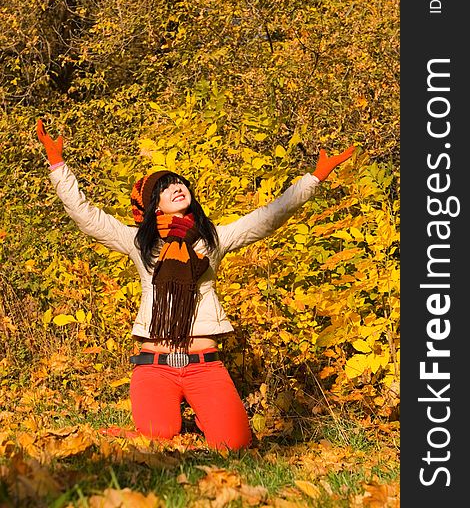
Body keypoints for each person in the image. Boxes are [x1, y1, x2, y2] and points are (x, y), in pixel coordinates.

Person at [36, 118, 354, 450]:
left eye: (179, 183)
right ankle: (109, 436)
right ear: (153, 206)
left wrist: (313, 179)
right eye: (164, 188)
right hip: (154, 367)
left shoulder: (212, 239)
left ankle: (208, 422)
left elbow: (268, 217)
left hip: (205, 366)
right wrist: (58, 166)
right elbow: (86, 216)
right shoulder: (139, 244)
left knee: (235, 445)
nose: (176, 187)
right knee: (157, 437)